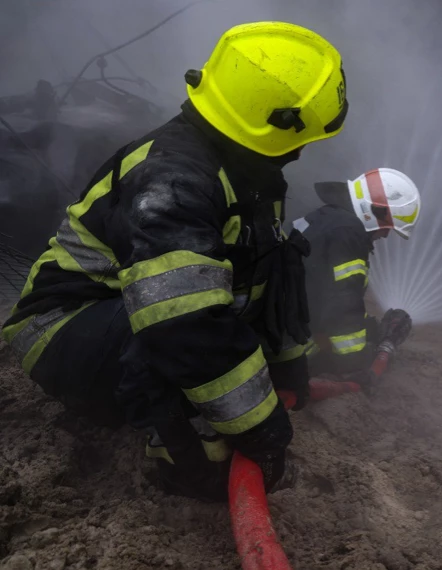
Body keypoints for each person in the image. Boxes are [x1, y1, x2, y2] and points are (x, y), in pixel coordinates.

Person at [0, 21, 348, 502]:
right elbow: (183, 322)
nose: (304, 149)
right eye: (304, 135)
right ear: (272, 125)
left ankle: (197, 422)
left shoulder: (248, 171)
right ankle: (182, 465)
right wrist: (259, 427)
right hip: (65, 329)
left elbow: (273, 275)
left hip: (132, 317)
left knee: (213, 314)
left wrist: (289, 367)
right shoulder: (173, 182)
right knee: (180, 327)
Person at [292, 168, 418, 389]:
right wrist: (361, 359)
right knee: (358, 359)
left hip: (283, 324)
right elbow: (342, 304)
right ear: (373, 211)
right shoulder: (348, 235)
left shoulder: (327, 218)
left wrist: (371, 329)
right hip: (293, 347)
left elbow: (324, 292)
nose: (386, 235)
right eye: (387, 227)